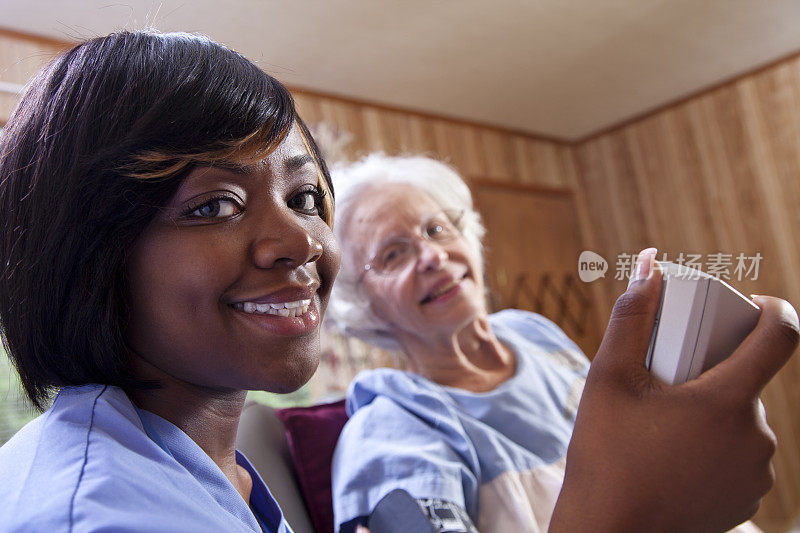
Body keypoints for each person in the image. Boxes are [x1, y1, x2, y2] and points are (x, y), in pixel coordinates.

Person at [327, 154, 798, 533]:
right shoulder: (390, 429)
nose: (432, 255)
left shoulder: (532, 332)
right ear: (360, 304)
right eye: (393, 254)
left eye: (436, 229)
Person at [0, 31, 339, 532]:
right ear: (86, 251)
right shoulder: (108, 516)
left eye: (304, 198)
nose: (301, 242)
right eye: (215, 205)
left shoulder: (198, 470)